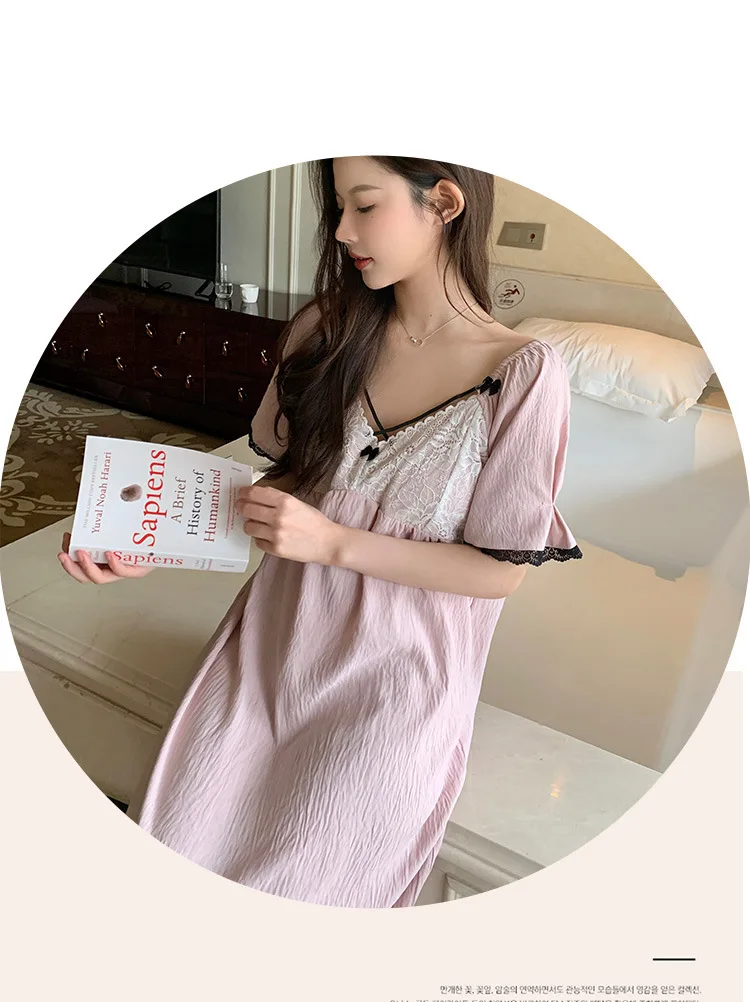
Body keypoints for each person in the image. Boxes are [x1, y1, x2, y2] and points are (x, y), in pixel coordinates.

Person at [58, 156, 583, 908]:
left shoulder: (524, 373)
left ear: (444, 203)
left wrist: (334, 543)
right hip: (270, 649)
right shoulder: (323, 332)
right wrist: (151, 534)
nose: (341, 232)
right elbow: (286, 491)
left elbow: (498, 572)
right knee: (177, 843)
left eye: (364, 206)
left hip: (397, 685)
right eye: (337, 208)